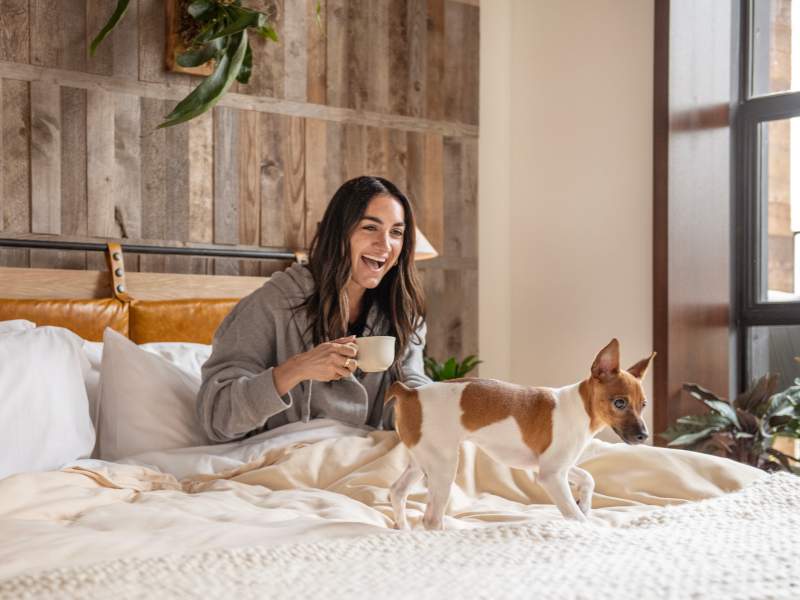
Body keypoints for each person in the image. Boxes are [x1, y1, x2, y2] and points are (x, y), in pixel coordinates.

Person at [197, 176, 432, 443]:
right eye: (370, 227)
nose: (385, 244)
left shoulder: (402, 312)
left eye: (396, 233)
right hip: (289, 456)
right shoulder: (273, 304)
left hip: (364, 457)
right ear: (339, 232)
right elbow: (218, 420)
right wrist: (296, 369)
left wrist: (441, 403)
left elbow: (412, 388)